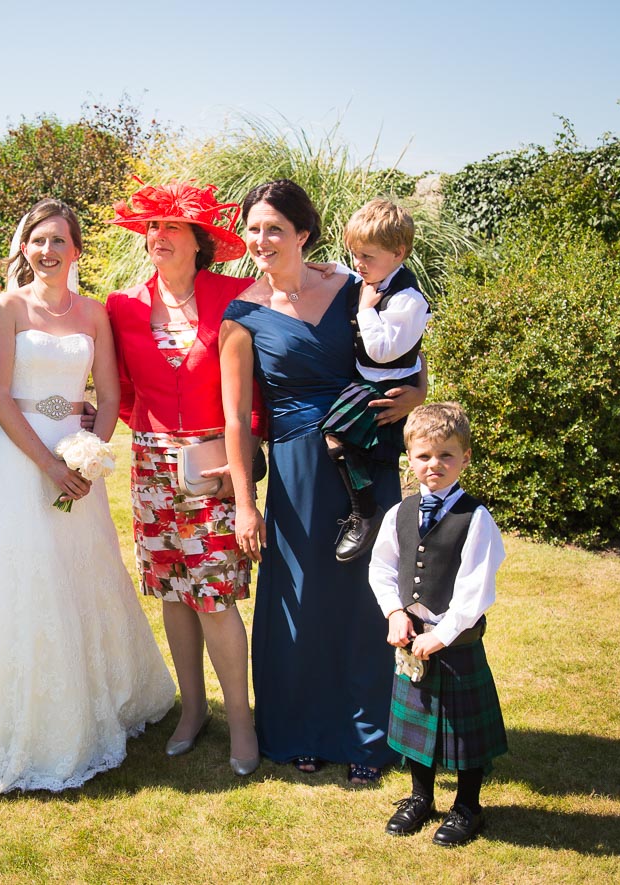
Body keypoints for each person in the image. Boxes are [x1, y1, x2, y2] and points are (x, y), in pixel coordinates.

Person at [0, 199, 174, 803]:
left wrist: (89, 453)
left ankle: (91, 697)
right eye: (38, 240)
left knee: (78, 575)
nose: (48, 251)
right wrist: (48, 464)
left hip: (76, 459)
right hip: (20, 461)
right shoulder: (7, 308)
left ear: (76, 250)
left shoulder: (94, 313)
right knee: (18, 576)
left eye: (58, 241)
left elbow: (109, 393)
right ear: (24, 248)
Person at [220, 179, 426, 785]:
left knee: (368, 594)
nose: (262, 240)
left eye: (275, 229)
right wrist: (245, 503)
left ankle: (368, 733)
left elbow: (404, 355)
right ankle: (300, 728)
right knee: (302, 597)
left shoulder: (351, 287)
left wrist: (417, 394)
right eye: (254, 229)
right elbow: (235, 418)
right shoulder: (242, 316)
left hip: (366, 457)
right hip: (298, 471)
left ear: (303, 233)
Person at [106, 180, 264, 776]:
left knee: (214, 594)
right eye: (153, 226)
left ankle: (241, 720)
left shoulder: (236, 296)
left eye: (172, 226)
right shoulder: (122, 305)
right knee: (172, 591)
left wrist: (239, 471)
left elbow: (254, 397)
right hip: (151, 466)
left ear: (200, 240)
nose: (159, 236)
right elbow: (121, 390)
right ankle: (193, 710)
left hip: (216, 464)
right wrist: (152, 434)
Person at [369, 402, 507, 846]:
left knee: (465, 732)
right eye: (424, 455)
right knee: (417, 725)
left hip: (456, 642)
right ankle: (421, 797)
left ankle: (468, 806)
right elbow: (381, 568)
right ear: (409, 458)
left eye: (446, 455)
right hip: (410, 640)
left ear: (465, 458)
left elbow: (476, 588)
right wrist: (394, 612)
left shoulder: (476, 518)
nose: (435, 464)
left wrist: (443, 635)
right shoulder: (399, 513)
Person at [323, 199, 430, 562]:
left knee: (337, 435)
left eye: (366, 256)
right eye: (354, 254)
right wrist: (327, 268)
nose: (358, 263)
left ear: (398, 252)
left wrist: (366, 310)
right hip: (369, 379)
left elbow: (382, 351)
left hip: (387, 383)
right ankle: (367, 510)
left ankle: (366, 511)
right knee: (344, 441)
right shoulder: (376, 277)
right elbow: (350, 274)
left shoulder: (408, 299)